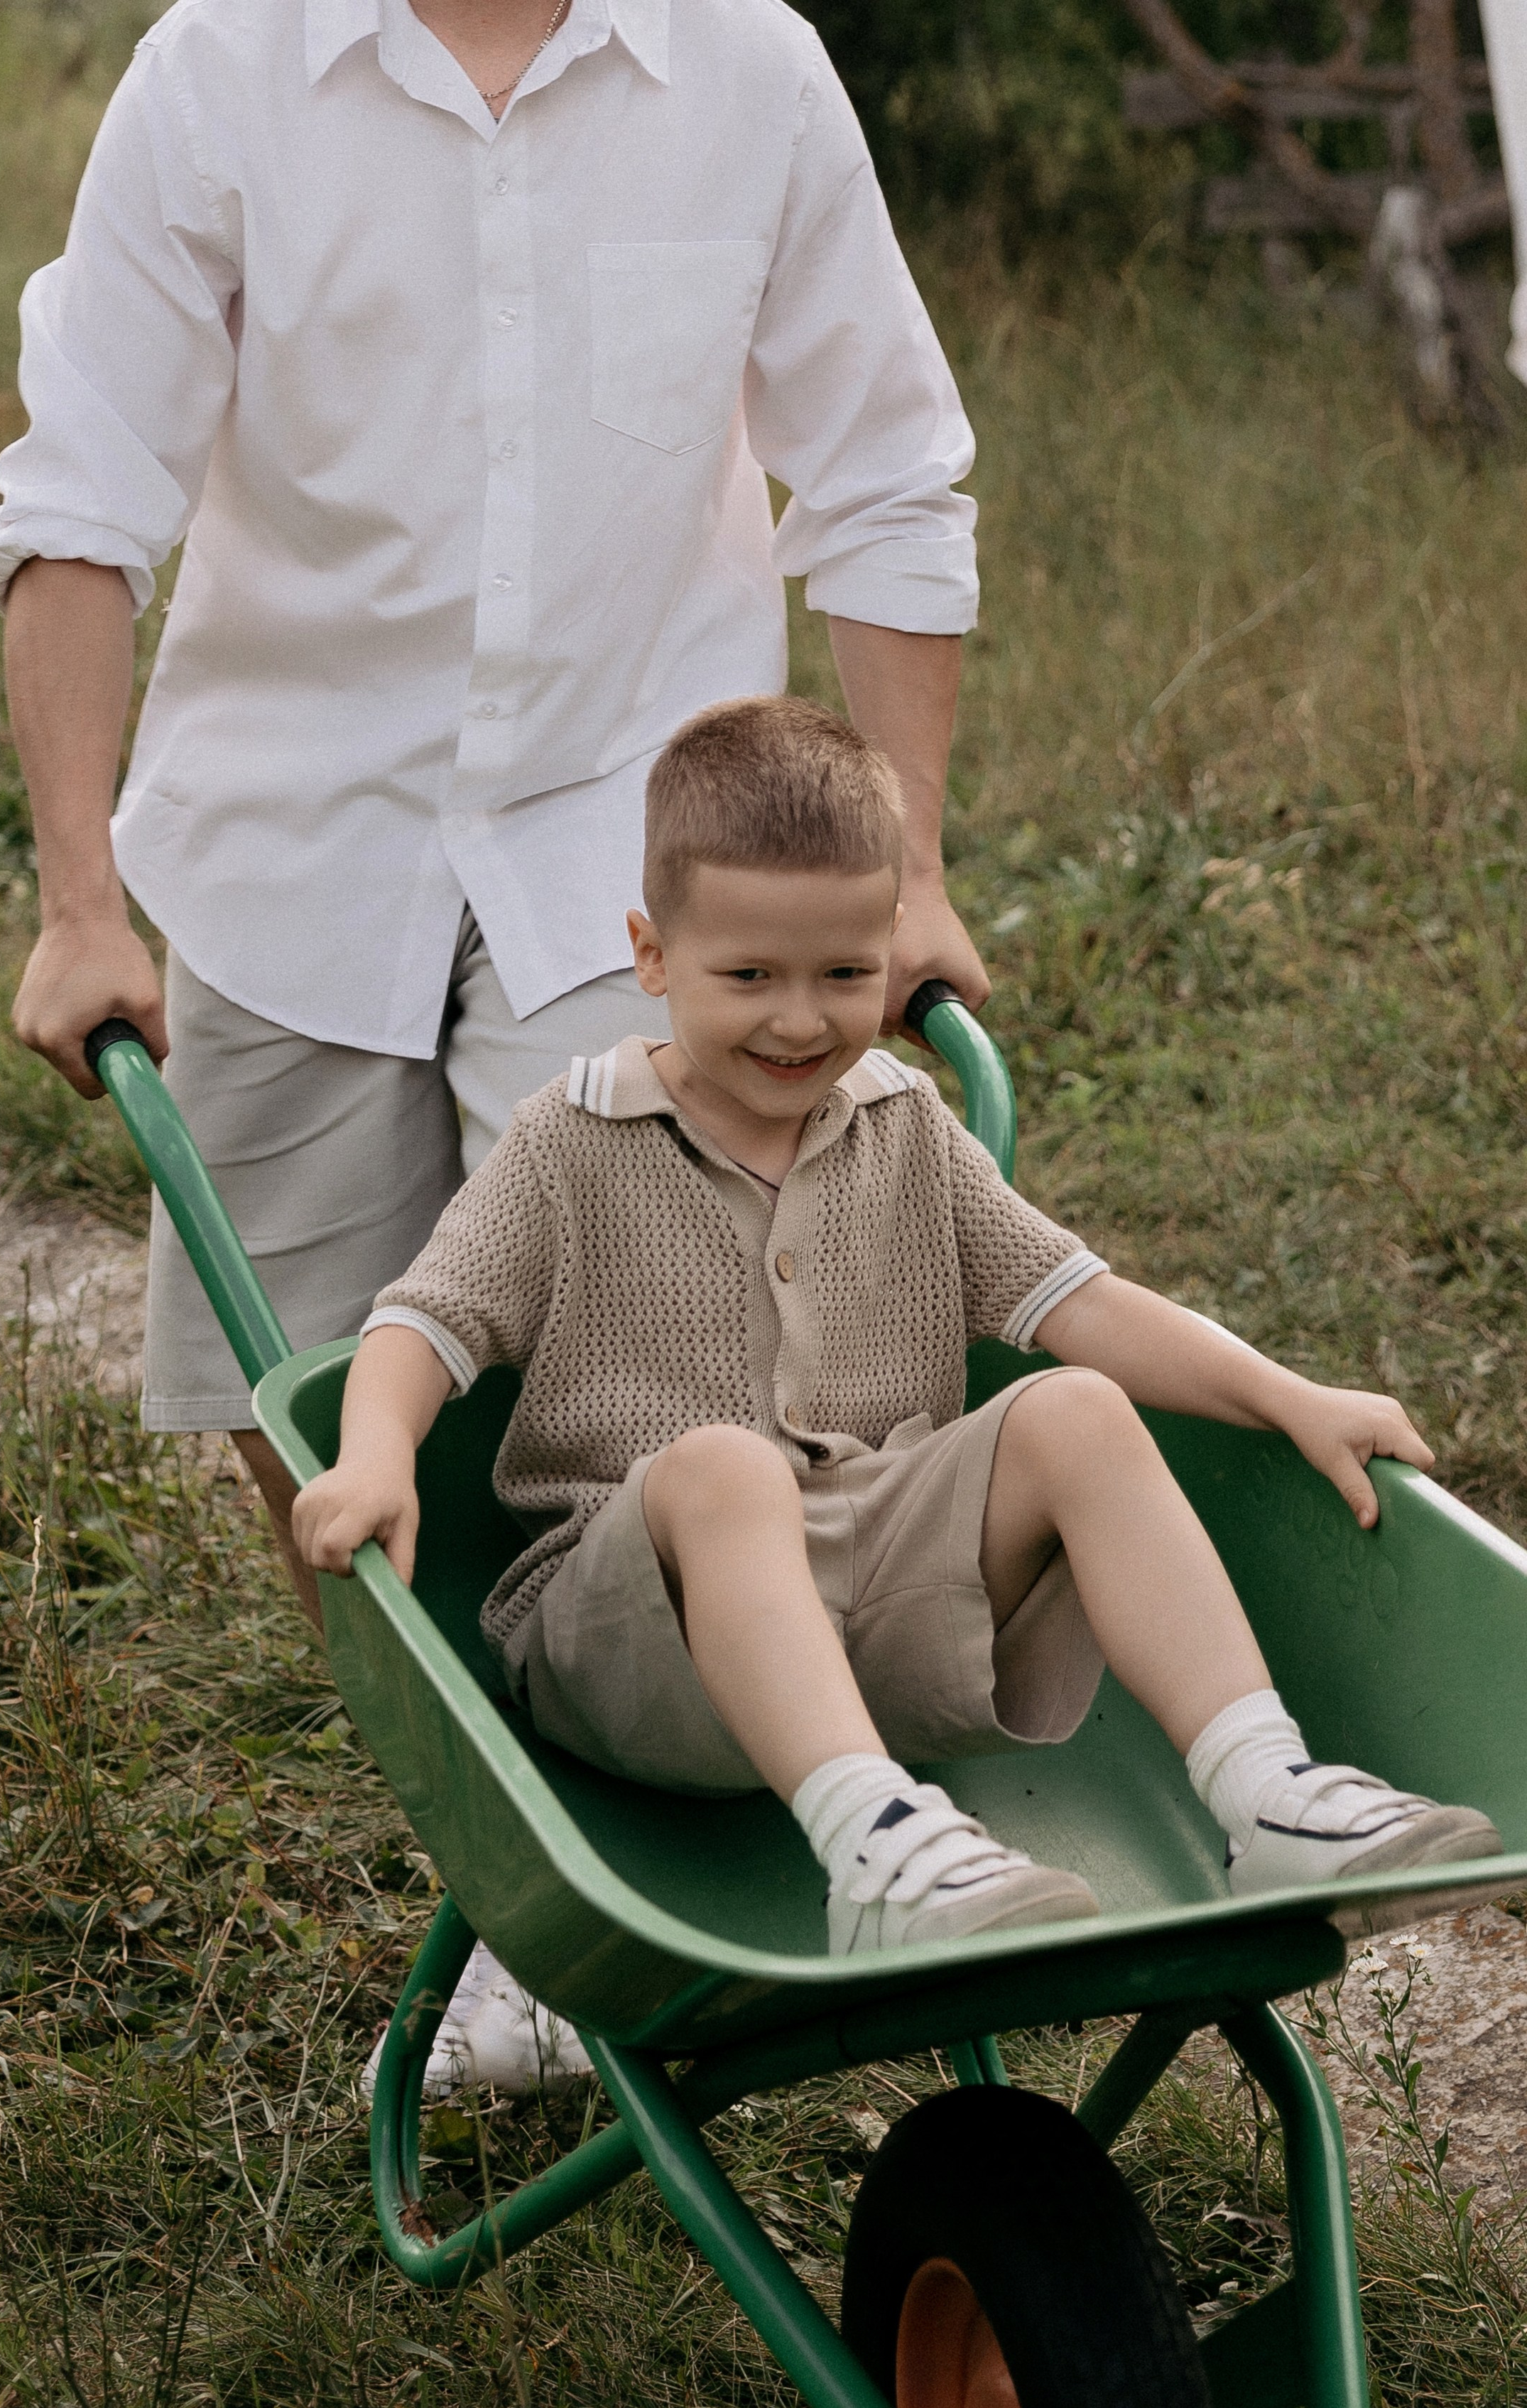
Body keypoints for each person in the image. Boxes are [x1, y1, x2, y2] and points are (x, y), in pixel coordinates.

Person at [0, 0, 988, 2069]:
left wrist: (909, 868)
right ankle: (517, 1856)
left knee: (651, 1371)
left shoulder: (746, 67)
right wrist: (83, 904)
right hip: (291, 830)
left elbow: (885, 474)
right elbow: (82, 495)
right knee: (312, 1403)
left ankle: (647, 1864)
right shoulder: (221, 72)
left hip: (631, 842)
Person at [293, 696, 1499, 1948]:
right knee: (728, 1469)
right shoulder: (572, 1140)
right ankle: (878, 1847)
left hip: (884, 1616)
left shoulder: (905, 1124)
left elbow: (1086, 1302)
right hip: (641, 1644)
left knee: (1078, 1410)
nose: (800, 1020)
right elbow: (422, 1321)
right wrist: (376, 1455)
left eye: (845, 975)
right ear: (652, 956)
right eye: (749, 976)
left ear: (888, 949)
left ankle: (1267, 1791)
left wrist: (1291, 1398)